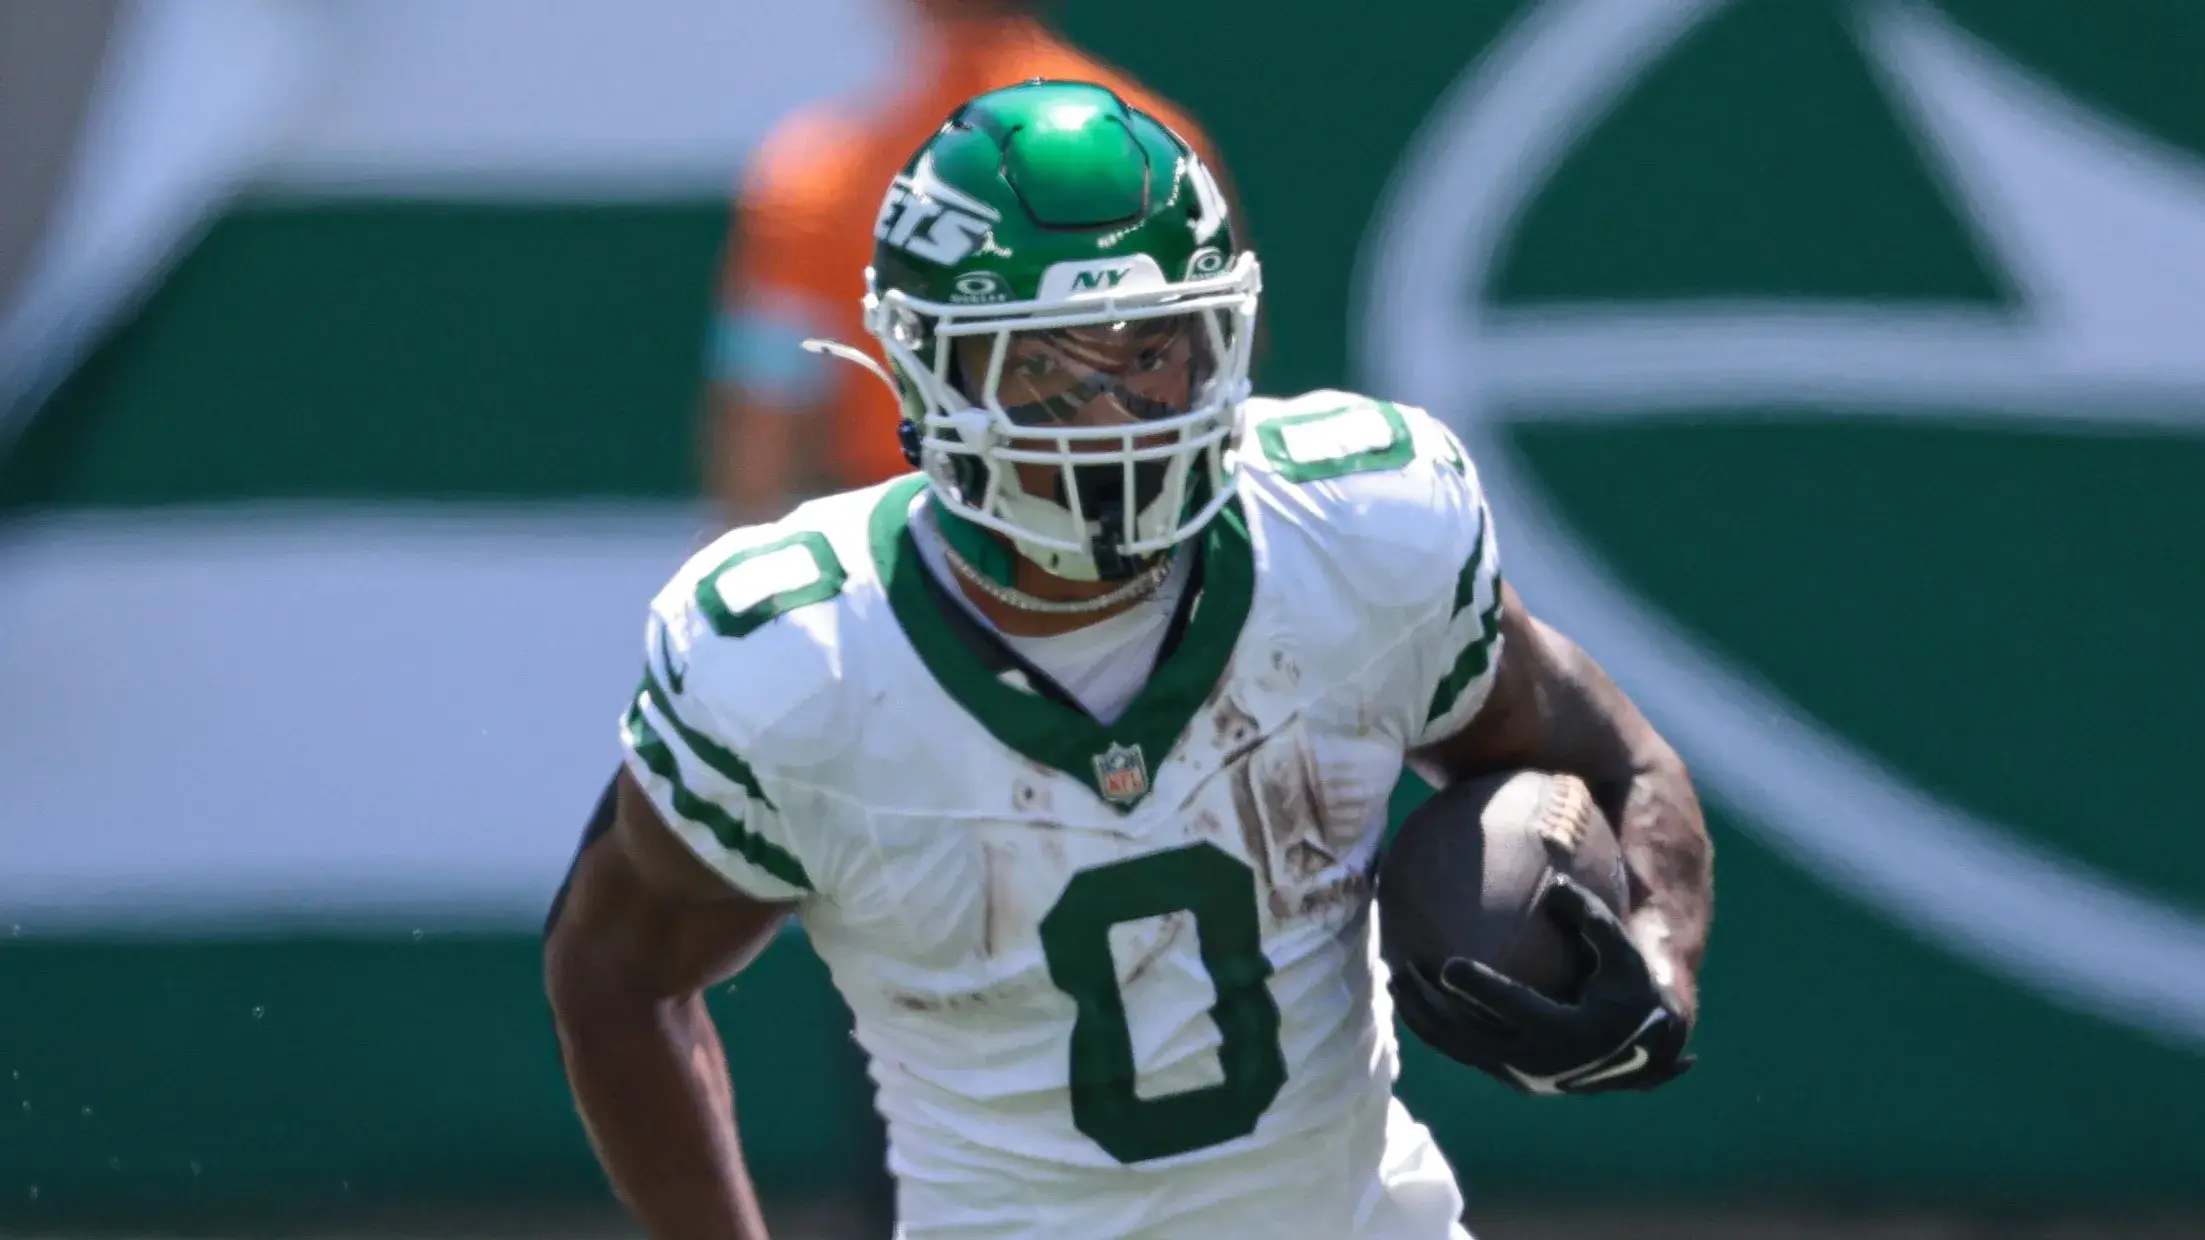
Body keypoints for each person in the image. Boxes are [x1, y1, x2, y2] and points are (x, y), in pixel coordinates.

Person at [546, 80, 1714, 1239]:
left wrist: (1656, 967)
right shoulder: (799, 659)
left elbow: (1617, 760)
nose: (1119, 415)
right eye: (1050, 367)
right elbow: (614, 981)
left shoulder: (1360, 534)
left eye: (1156, 351)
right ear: (925, 371)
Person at [705, 0, 1234, 528]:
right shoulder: (1159, 144)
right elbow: (1213, 355)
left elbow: (765, 412)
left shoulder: (820, 170)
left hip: (913, 533)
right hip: (1140, 508)